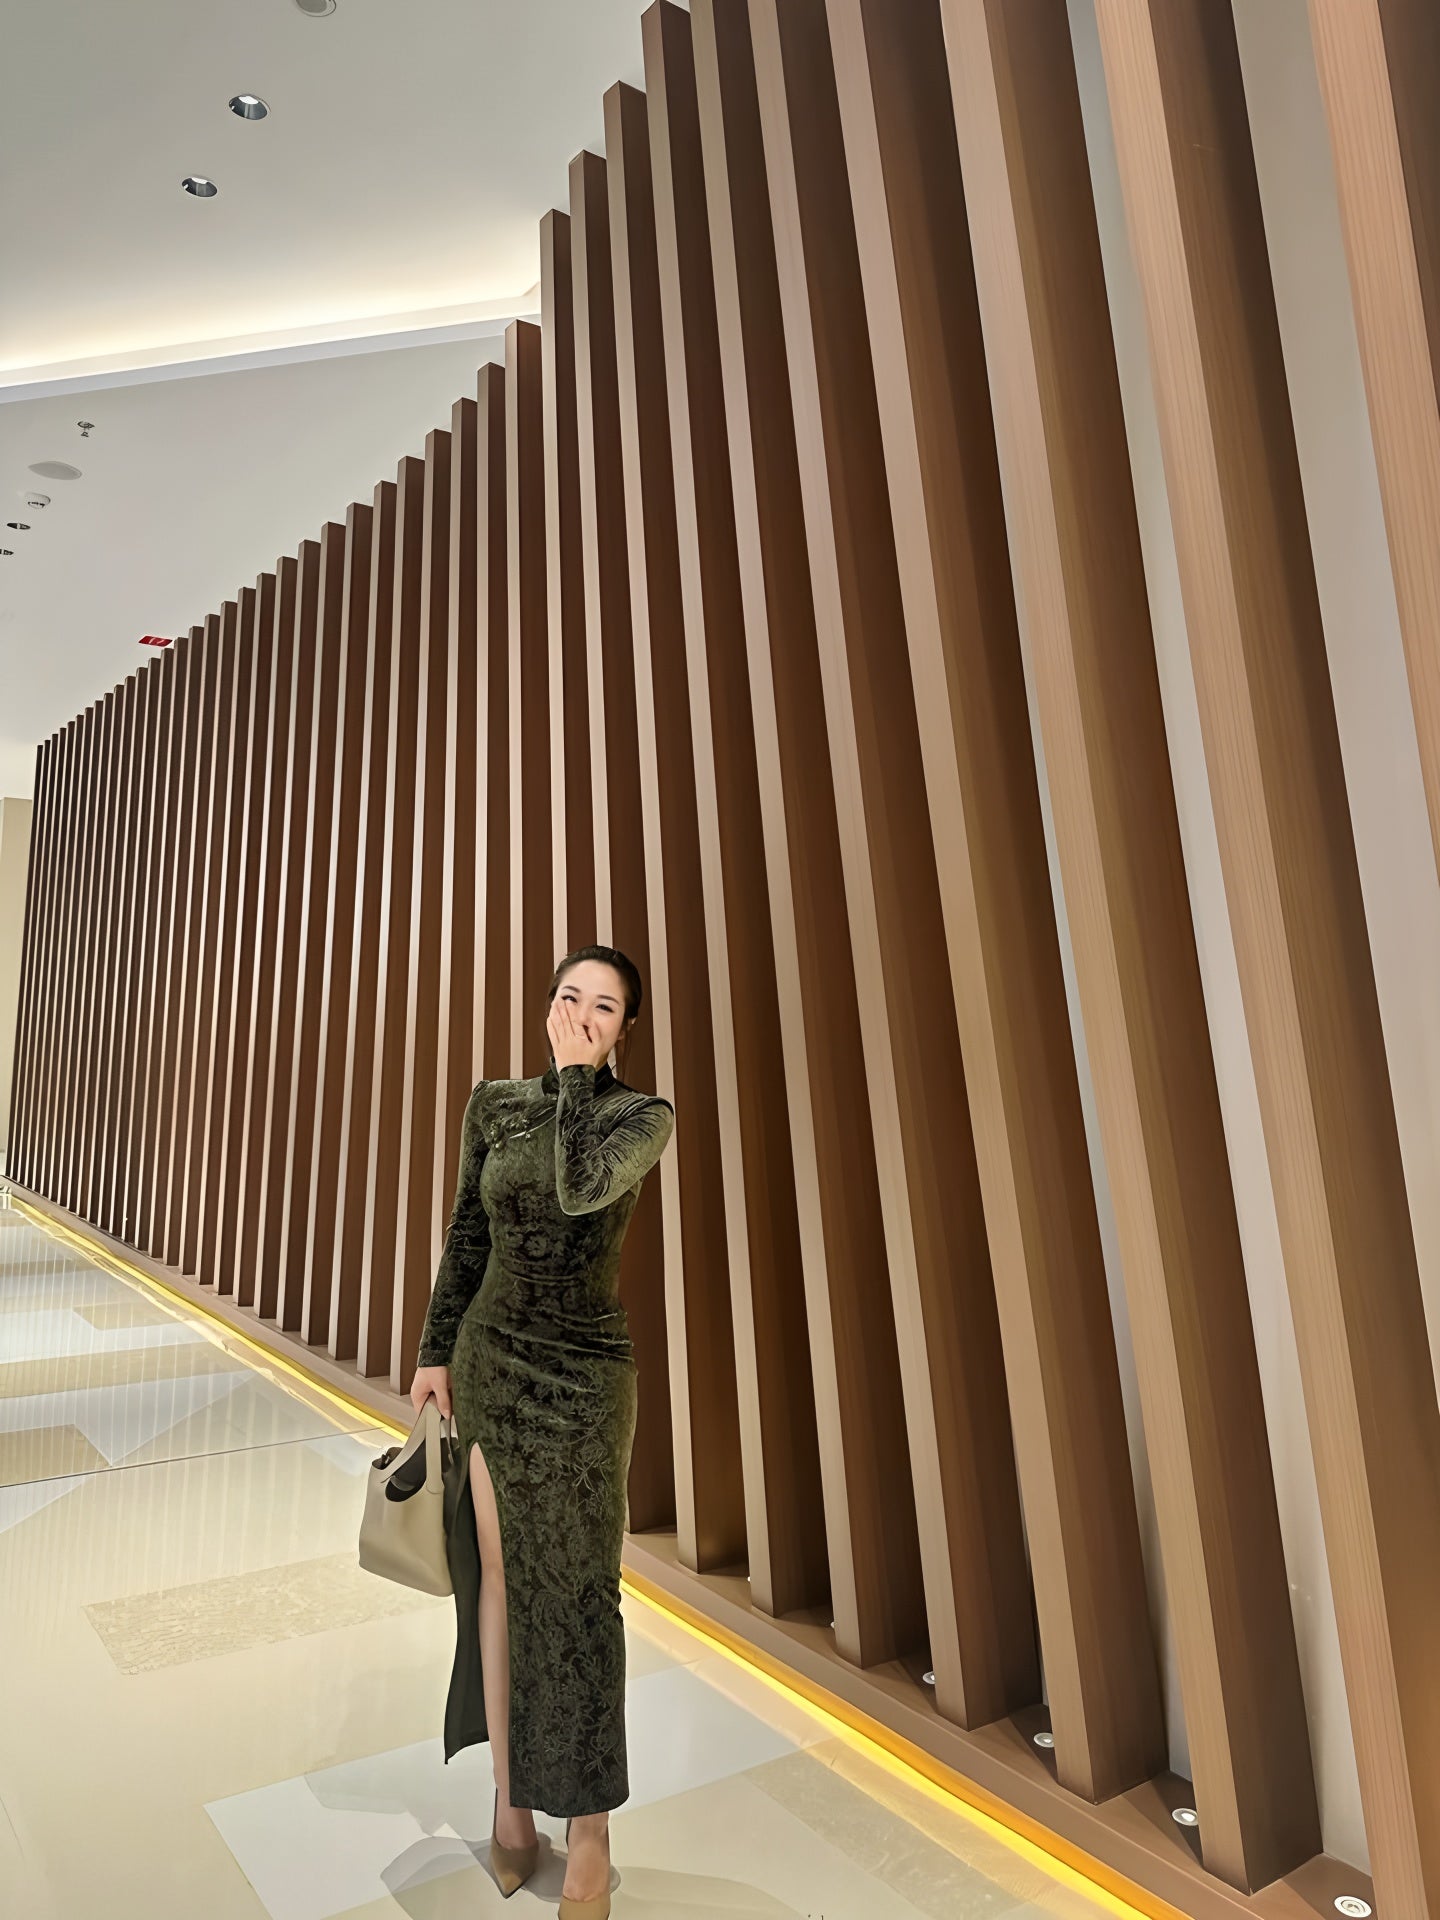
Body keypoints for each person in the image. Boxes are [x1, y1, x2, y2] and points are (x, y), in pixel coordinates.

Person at [409, 946, 675, 1919]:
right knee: (498, 1582)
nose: (582, 1016)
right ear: (548, 1004)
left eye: (603, 1007)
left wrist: (571, 1079)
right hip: (493, 1363)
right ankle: (510, 1799)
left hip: (584, 1377)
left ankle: (590, 1829)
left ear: (625, 1028)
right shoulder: (493, 1104)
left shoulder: (641, 1117)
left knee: (581, 1597)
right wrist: (436, 1350)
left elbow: (578, 1189)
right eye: (570, 998)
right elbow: (467, 1236)